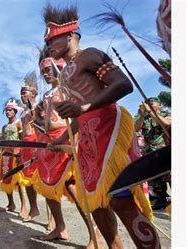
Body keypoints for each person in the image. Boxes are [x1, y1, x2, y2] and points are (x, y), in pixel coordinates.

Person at [43, 4, 159, 248]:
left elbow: (122, 84)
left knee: (120, 197)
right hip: (88, 139)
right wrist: (60, 139)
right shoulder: (64, 75)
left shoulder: (91, 55)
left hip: (109, 128)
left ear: (71, 35)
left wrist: (85, 108)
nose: (49, 46)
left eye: (53, 39)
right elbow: (77, 117)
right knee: (95, 202)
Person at [34, 51, 104, 247]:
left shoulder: (67, 88)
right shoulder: (49, 94)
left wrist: (70, 138)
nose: (45, 74)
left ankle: (95, 234)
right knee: (48, 188)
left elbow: (76, 117)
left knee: (72, 186)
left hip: (67, 138)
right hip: (50, 142)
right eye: (43, 71)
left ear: (57, 67)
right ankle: (60, 228)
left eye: (48, 70)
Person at [135, 96, 171, 210]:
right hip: (150, 152)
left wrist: (150, 111)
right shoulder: (145, 118)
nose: (148, 104)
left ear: (160, 105)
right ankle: (160, 200)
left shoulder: (166, 114)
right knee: (156, 179)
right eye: (146, 103)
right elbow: (136, 129)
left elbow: (165, 123)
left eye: (151, 102)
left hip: (163, 150)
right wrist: (141, 116)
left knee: (169, 175)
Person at [0, 98, 28, 219]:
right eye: (6, 110)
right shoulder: (4, 127)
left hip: (16, 154)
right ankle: (11, 203)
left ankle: (24, 207)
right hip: (5, 155)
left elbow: (22, 139)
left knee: (19, 181)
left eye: (10, 110)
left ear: (15, 111)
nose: (8, 112)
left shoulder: (19, 123)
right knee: (6, 179)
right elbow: (3, 141)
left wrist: (21, 154)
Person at [18, 72, 42, 222]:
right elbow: (23, 133)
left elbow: (41, 126)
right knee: (27, 179)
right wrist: (21, 149)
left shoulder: (39, 107)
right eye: (20, 94)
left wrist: (32, 106)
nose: (22, 96)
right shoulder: (23, 113)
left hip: (37, 143)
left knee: (43, 179)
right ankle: (34, 208)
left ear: (33, 94)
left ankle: (53, 219)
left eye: (24, 93)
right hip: (25, 146)